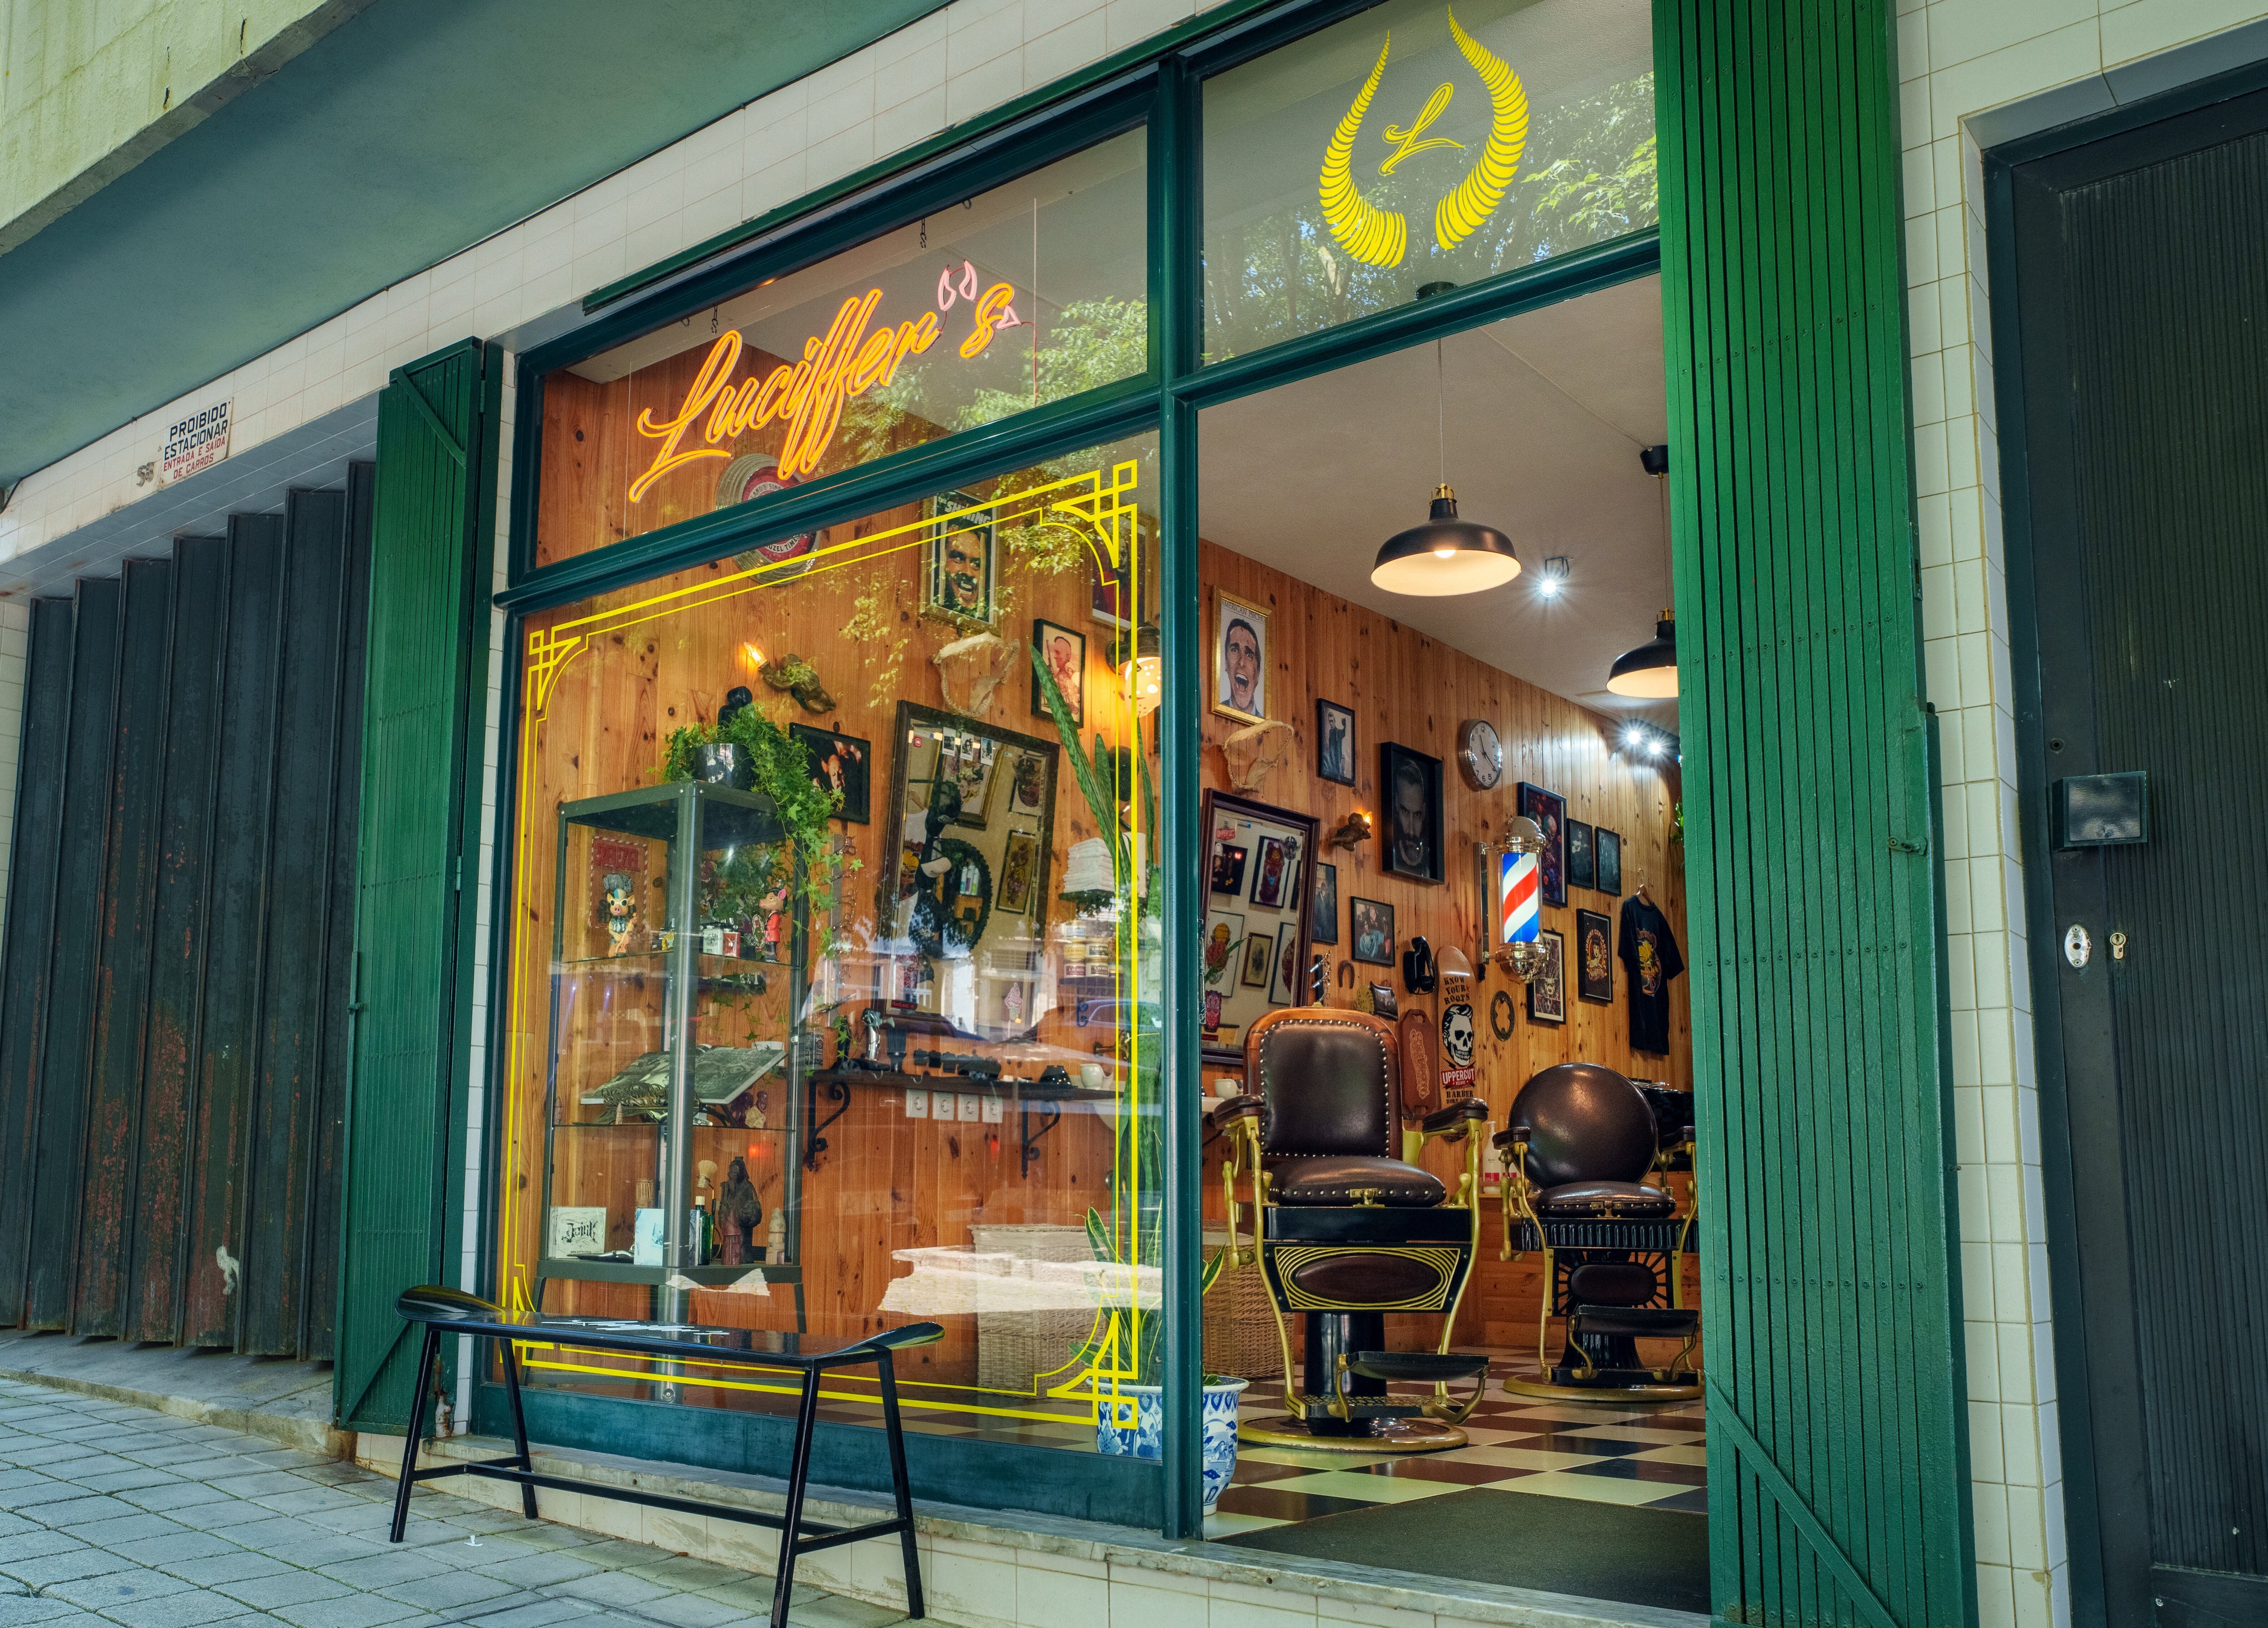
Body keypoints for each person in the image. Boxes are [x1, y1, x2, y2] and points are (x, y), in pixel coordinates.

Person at [1391, 757, 1430, 874]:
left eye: (1417, 815)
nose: (1412, 832)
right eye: (1405, 812)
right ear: (1397, 804)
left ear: (1424, 811)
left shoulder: (1429, 871)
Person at [1221, 615, 1262, 714]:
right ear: (1226, 663)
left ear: (1258, 672)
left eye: (1249, 655)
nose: (1242, 663)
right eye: (1235, 650)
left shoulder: (1269, 729)